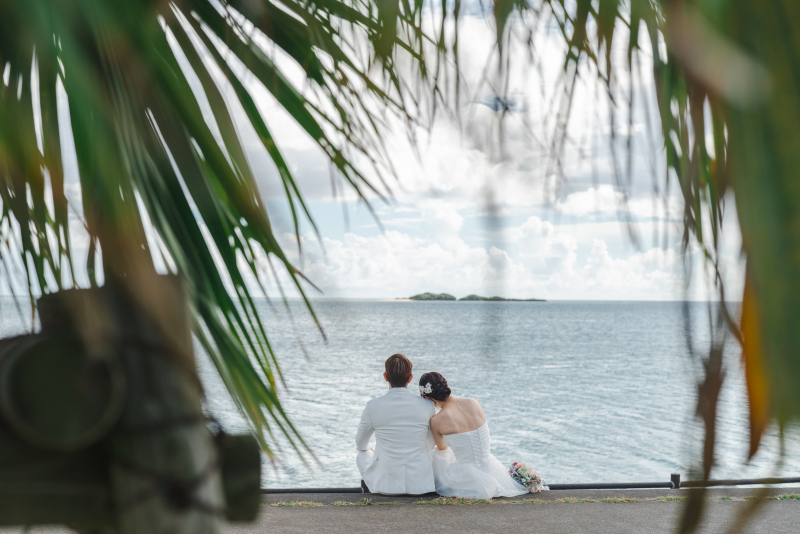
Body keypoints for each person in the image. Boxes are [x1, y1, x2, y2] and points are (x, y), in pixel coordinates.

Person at [420, 371, 529, 499]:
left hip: (467, 477)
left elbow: (442, 448)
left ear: (427, 398)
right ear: (447, 384)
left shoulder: (437, 420)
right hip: (491, 467)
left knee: (436, 453)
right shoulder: (473, 402)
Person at [355, 354, 436, 494]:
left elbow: (360, 444)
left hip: (386, 487)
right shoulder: (428, 405)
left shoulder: (373, 406)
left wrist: (373, 450)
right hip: (420, 486)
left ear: (385, 376)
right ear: (410, 378)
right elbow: (430, 443)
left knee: (362, 454)